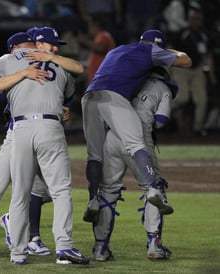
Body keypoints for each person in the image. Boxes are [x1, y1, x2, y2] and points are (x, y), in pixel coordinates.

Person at [0, 30, 83, 264]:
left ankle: (24, 241)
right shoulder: (10, 63)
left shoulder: (53, 63)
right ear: (16, 48)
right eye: (24, 46)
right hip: (15, 133)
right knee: (0, 189)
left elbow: (71, 77)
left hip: (34, 131)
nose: (27, 50)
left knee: (34, 191)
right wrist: (23, 73)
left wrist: (58, 107)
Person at [80, 29, 192, 224]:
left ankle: (92, 200)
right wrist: (168, 51)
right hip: (113, 96)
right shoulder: (152, 51)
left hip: (89, 96)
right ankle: (153, 189)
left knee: (94, 154)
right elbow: (186, 61)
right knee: (136, 143)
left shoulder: (119, 49)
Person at [92, 66, 178, 261]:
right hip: (139, 138)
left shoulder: (128, 78)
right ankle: (154, 245)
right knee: (153, 188)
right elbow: (162, 120)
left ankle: (100, 249)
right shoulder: (163, 88)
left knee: (107, 191)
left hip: (112, 137)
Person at [170, 7, 215, 136]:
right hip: (181, 69)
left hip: (197, 69)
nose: (196, 21)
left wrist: (211, 74)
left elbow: (208, 55)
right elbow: (170, 51)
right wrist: (169, 71)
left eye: (198, 19)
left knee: (202, 100)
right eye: (193, 19)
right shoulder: (181, 33)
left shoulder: (205, 35)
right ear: (189, 20)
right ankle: (160, 113)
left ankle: (198, 128)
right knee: (182, 97)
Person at [76, 15, 115, 83]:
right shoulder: (98, 37)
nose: (89, 29)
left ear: (95, 26)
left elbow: (100, 48)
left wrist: (84, 40)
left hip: (101, 79)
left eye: (90, 26)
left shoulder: (104, 35)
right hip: (95, 79)